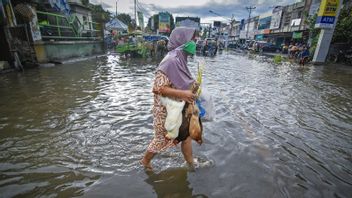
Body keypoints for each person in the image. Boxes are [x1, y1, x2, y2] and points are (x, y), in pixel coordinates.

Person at [141, 27, 198, 171]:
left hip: (178, 109)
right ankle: (145, 162)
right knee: (161, 139)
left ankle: (191, 164)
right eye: (192, 39)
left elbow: (180, 83)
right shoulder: (170, 61)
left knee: (186, 137)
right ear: (182, 40)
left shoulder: (180, 60)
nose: (195, 42)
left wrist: (193, 88)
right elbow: (157, 88)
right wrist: (184, 94)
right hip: (165, 111)